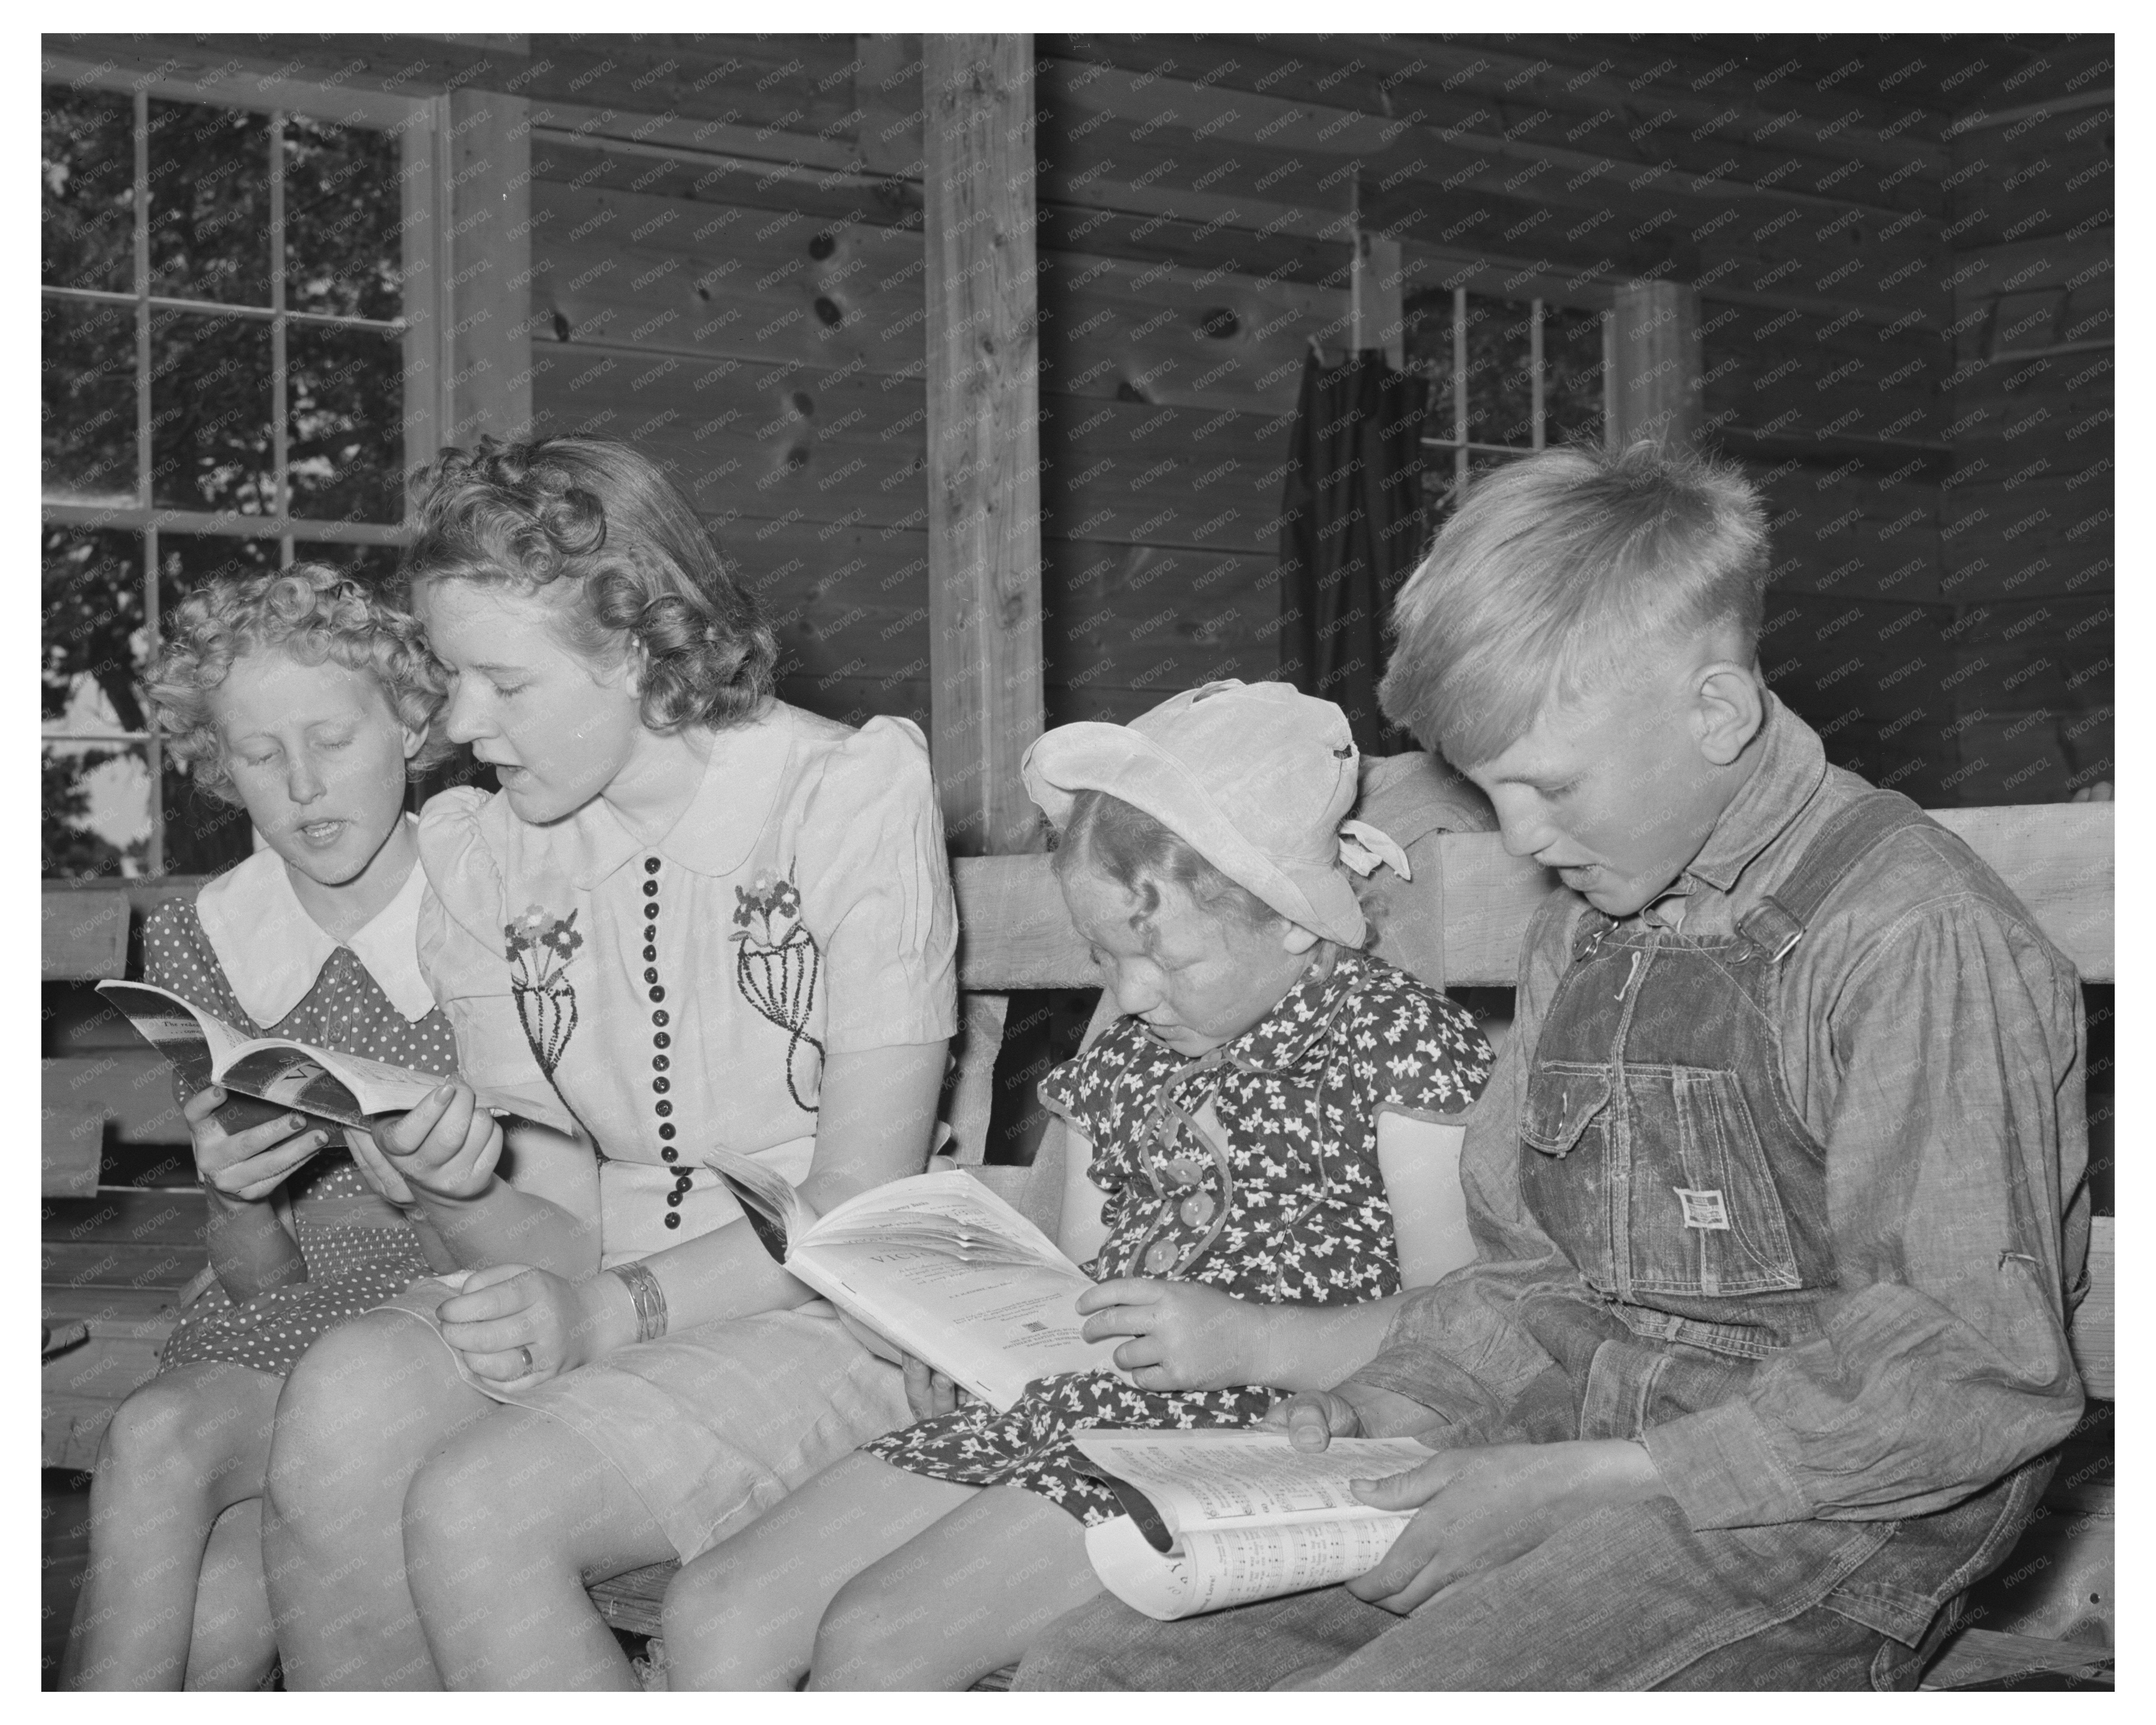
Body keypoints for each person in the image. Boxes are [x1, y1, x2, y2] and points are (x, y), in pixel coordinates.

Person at [1016, 442, 2091, 1692]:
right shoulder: (1587, 927)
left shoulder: (1907, 934)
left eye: (1548, 786)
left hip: (1826, 1517)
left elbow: (1968, 1371)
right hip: (1579, 1441)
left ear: (1717, 712)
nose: (1520, 835)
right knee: (1090, 1678)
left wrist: (1562, 1489)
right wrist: (1390, 1406)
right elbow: (1529, 1278)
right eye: (1489, 790)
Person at [260, 436, 958, 1690]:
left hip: (836, 1319)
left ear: (637, 652)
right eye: (450, 676)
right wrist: (448, 1180)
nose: (456, 726)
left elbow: (859, 1205)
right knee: (341, 1401)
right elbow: (555, 1242)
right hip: (608, 1300)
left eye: (502, 684)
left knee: (481, 1503)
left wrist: (602, 1314)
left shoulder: (841, 796)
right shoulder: (485, 853)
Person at [658, 680, 1496, 1690]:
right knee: (715, 1611)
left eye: (1168, 958)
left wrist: (1250, 1338)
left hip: (1263, 1439)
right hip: (1081, 1409)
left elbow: (1469, 1326)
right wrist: (973, 1344)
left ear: (1291, 919)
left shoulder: (1391, 1042)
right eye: (1105, 957)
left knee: (880, 1639)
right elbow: (1080, 1287)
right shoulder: (1128, 1058)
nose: (1131, 996)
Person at [61, 565, 458, 1690]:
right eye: (257, 754)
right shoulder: (209, 934)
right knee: (153, 1441)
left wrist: (433, 1179)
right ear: (215, 762)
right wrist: (233, 1193)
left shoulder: (484, 894)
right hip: (285, 1321)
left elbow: (546, 1220)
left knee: (221, 1611)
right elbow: (255, 1279)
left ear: (415, 722)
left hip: (454, 1320)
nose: (301, 786)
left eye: (332, 740)